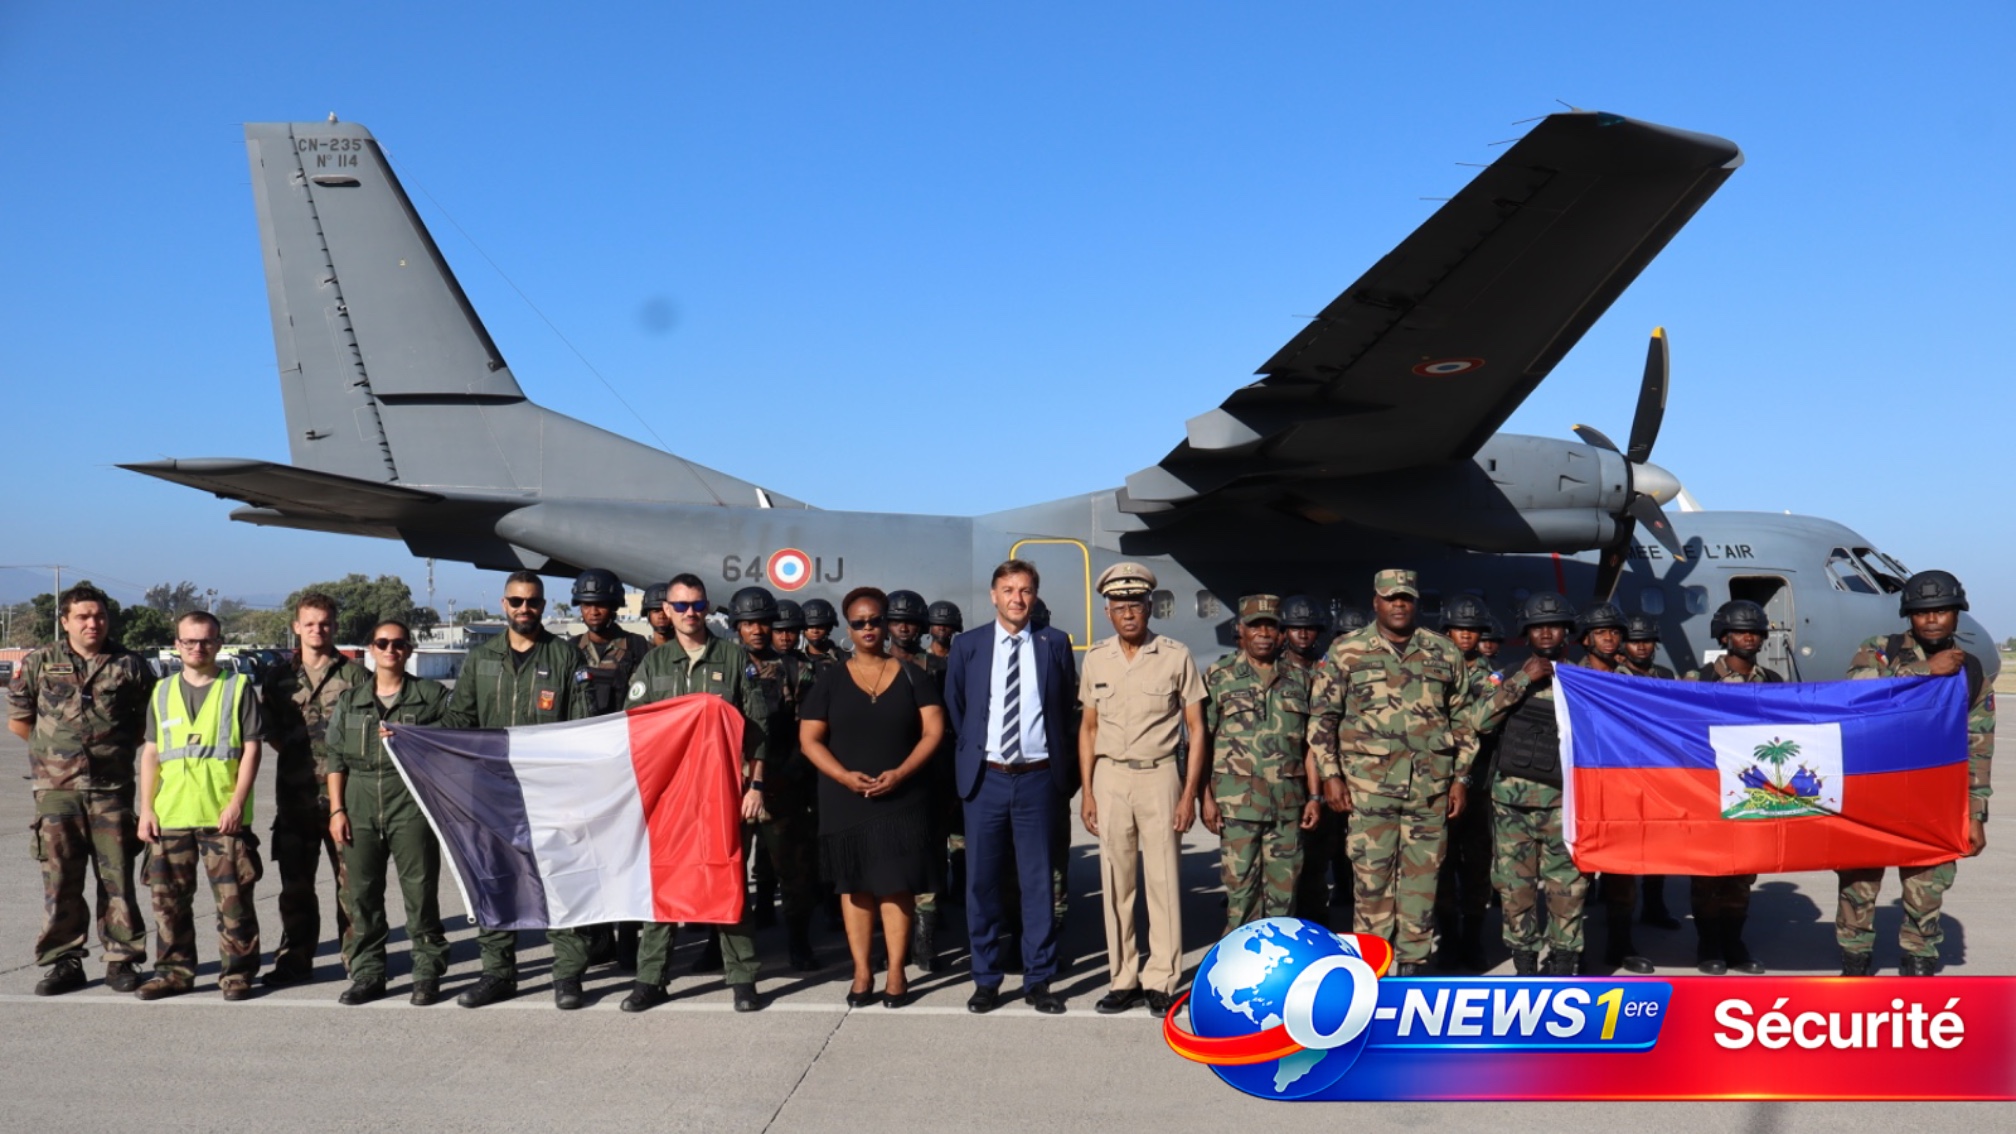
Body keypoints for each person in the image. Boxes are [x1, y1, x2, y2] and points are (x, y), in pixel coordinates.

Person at [1308, 569, 1476, 977]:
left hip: (1429, 792)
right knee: (1371, 884)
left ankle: (1415, 968)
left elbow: (1464, 720)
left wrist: (1461, 778)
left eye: (1406, 597)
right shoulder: (1347, 651)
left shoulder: (1443, 652)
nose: (1399, 604)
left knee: (1422, 885)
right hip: (1369, 793)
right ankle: (1373, 972)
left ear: (1415, 602)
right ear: (1376, 602)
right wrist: (1331, 776)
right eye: (1390, 597)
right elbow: (1322, 719)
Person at [620, 574, 771, 1013]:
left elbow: (758, 729)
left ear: (708, 608)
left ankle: (742, 977)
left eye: (697, 606)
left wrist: (756, 785)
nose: (690, 614)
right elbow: (634, 727)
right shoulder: (653, 663)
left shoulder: (733, 657)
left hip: (722, 793)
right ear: (666, 610)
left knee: (727, 879)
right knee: (663, 882)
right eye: (681, 606)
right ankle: (651, 978)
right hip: (667, 797)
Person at [441, 571, 591, 1008]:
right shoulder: (480, 658)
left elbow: (580, 727)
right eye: (516, 601)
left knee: (560, 881)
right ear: (503, 605)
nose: (525, 609)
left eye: (533, 602)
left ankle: (567, 975)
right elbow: (459, 724)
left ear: (544, 606)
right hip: (489, 792)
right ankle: (498, 974)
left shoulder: (565, 657)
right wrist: (410, 734)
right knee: (493, 880)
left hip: (549, 792)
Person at [1838, 570, 1993, 976]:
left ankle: (1919, 960)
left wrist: (1975, 816)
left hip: (1934, 801)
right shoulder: (1879, 651)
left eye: (1942, 611)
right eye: (1923, 612)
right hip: (1874, 793)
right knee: (1858, 883)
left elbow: (1978, 748)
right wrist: (1924, 671)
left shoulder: (1971, 671)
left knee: (1928, 886)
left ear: (1957, 615)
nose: (1932, 620)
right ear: (1910, 616)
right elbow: (1858, 702)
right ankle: (1855, 959)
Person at [799, 588, 947, 1008]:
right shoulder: (829, 680)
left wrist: (901, 773)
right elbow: (809, 739)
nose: (869, 628)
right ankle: (862, 971)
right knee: (856, 889)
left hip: (902, 798)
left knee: (896, 888)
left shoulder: (913, 676)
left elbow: (933, 731)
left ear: (885, 625)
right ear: (850, 628)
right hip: (846, 799)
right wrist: (843, 776)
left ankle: (897, 972)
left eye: (875, 621)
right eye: (860, 622)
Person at [944, 559, 1079, 1015]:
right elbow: (958, 709)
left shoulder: (1055, 644)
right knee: (980, 883)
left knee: (1038, 882)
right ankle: (985, 978)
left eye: (1025, 590)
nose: (1017, 598)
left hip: (1038, 779)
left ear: (1034, 596)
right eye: (1008, 589)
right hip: (987, 779)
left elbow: (1064, 710)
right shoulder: (969, 645)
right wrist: (985, 755)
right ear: (993, 595)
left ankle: (1038, 978)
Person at [7, 583, 155, 995]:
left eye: (100, 616)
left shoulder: (130, 664)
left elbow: (147, 725)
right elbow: (20, 721)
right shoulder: (41, 662)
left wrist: (112, 751)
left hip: (112, 788)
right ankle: (63, 961)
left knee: (118, 879)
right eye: (84, 617)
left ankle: (122, 959)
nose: (93, 623)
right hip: (57, 791)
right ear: (66, 620)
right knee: (60, 879)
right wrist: (56, 757)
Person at [1078, 562, 1207, 1017]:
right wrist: (1088, 793)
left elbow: (1196, 727)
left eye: (1136, 605)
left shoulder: (1175, 655)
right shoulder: (1096, 658)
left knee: (1164, 882)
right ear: (1108, 612)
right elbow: (1088, 728)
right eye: (1119, 606)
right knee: (1116, 883)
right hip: (1110, 776)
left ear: (1150, 608)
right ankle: (1123, 978)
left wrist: (1188, 792)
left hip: (1159, 776)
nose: (1128, 613)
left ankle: (1162, 979)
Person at [135, 611, 265, 1000]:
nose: (197, 647)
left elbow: (252, 749)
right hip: (171, 815)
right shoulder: (161, 692)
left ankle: (237, 974)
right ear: (176, 645)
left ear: (219, 643)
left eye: (206, 640)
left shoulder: (238, 687)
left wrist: (237, 803)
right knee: (168, 905)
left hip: (221, 816)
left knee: (234, 904)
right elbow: (151, 754)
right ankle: (174, 973)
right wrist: (146, 809)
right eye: (189, 641)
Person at [324, 620, 451, 1005]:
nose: (390, 650)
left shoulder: (430, 696)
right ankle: (368, 972)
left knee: (420, 891)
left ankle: (427, 972)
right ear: (371, 650)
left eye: (398, 644)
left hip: (410, 798)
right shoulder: (352, 700)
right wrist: (337, 809)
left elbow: (452, 739)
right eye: (383, 643)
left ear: (409, 651)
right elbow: (335, 758)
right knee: (361, 894)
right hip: (360, 798)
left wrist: (414, 740)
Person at [1470, 593, 1587, 976]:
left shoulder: (1585, 680)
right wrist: (1524, 679)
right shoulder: (1506, 675)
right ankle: (1524, 962)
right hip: (1512, 806)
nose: (1547, 632)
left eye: (1554, 625)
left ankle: (1564, 960)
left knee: (1567, 890)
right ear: (1527, 633)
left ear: (1566, 630)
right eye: (1539, 626)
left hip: (1564, 804)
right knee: (1515, 889)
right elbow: (1479, 721)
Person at [260, 592, 368, 987]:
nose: (317, 630)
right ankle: (295, 961)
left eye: (324, 623)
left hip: (346, 799)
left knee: (352, 886)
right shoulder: (277, 677)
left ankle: (359, 959)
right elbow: (270, 732)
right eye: (310, 623)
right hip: (295, 799)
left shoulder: (356, 676)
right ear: (296, 627)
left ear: (334, 626)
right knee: (296, 887)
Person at [1202, 595, 1321, 940]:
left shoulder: (1301, 679)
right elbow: (1201, 743)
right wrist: (1204, 798)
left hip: (1288, 806)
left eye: (1271, 626)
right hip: (1237, 808)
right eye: (1256, 626)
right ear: (1241, 630)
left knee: (1284, 899)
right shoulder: (1220, 676)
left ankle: (1280, 977)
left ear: (1281, 633)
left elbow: (1310, 746)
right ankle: (1237, 974)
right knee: (1241, 898)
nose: (1264, 633)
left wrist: (1315, 796)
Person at [1681, 599, 1781, 976]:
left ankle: (1734, 942)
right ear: (1724, 636)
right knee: (1707, 875)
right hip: (1707, 790)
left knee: (1742, 875)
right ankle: (1708, 945)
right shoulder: (1699, 678)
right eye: (1741, 631)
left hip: (1752, 792)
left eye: (1755, 632)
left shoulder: (1772, 682)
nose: (1749, 638)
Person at [729, 585, 821, 970]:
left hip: (782, 784)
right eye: (749, 623)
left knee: (793, 872)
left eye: (764, 622)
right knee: (729, 871)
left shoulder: (798, 669)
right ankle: (724, 948)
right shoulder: (726, 665)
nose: (758, 630)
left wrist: (789, 775)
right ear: (737, 626)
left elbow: (812, 729)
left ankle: (799, 941)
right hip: (733, 786)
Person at [1569, 602, 1656, 975]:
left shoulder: (1634, 681)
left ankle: (1621, 946)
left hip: (1623, 789)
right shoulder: (1567, 678)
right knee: (1574, 880)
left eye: (1615, 632)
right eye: (1601, 632)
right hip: (1580, 789)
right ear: (1586, 639)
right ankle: (1571, 950)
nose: (1609, 638)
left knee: (1623, 875)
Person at [571, 568, 651, 968]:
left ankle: (628, 943)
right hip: (582, 775)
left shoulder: (638, 648)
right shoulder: (567, 650)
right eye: (587, 603)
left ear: (615, 605)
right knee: (587, 862)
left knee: (626, 860)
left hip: (624, 773)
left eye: (600, 603)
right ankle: (597, 938)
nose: (594, 610)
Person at [1432, 594, 1498, 971]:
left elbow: (1483, 722)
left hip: (1480, 785)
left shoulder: (1492, 677)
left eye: (1473, 631)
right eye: (1461, 629)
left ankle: (1473, 940)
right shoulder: (1434, 673)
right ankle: (1449, 940)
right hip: (1439, 785)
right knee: (1440, 867)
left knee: (1476, 868)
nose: (1467, 636)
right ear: (1447, 632)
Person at [1280, 595, 1348, 927]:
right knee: (1286, 867)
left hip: (1324, 778)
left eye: (1309, 628)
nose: (1303, 634)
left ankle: (1316, 926)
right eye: (1296, 628)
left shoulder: (1329, 670)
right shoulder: (1277, 674)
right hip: (1287, 783)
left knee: (1319, 862)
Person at [1616, 612, 1679, 932]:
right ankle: (1619, 924)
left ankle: (1654, 906)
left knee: (1658, 846)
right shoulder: (1609, 676)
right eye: (1634, 640)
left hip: (1657, 772)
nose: (1641, 647)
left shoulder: (1666, 675)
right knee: (1623, 851)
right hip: (1620, 773)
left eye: (1647, 640)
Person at [885, 590, 933, 669]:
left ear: (920, 626)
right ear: (887, 625)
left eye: (910, 622)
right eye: (896, 622)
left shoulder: (937, 666)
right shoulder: (874, 665)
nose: (903, 629)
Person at [802, 598, 850, 669]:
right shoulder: (795, 659)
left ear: (829, 628)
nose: (815, 631)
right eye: (810, 626)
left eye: (820, 626)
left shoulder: (845, 658)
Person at [642, 582, 674, 650]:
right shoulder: (640, 651)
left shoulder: (688, 648)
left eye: (666, 610)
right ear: (648, 615)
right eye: (656, 611)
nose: (661, 616)